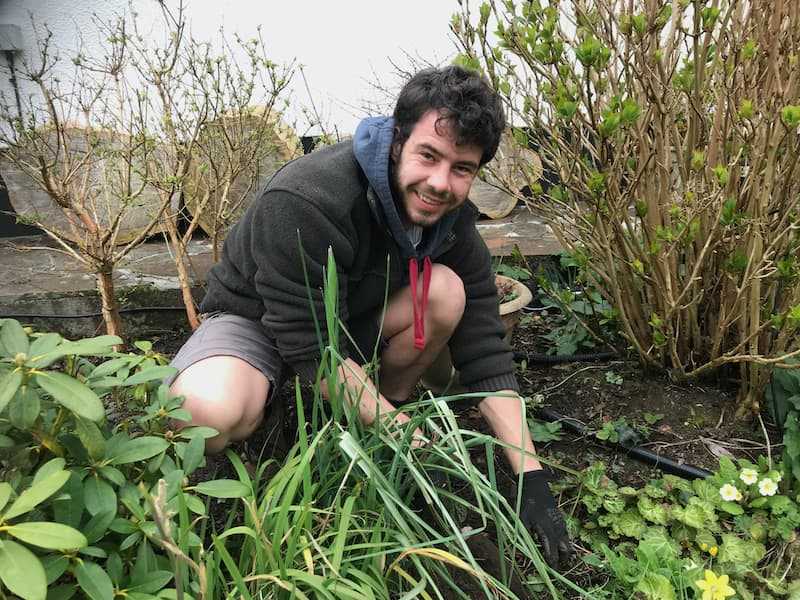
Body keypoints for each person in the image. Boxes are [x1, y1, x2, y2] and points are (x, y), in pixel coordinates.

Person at [168, 65, 572, 568]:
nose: (440, 183)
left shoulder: (452, 223)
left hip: (346, 322)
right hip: (259, 323)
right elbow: (311, 350)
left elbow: (486, 355)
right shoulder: (308, 199)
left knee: (445, 291)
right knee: (205, 410)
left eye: (462, 168)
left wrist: (532, 478)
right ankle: (231, 477)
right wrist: (424, 450)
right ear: (398, 139)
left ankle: (377, 417)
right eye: (429, 155)